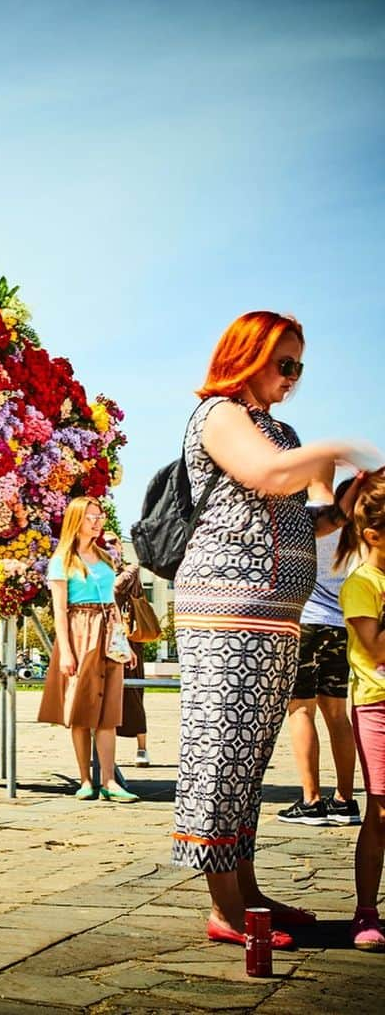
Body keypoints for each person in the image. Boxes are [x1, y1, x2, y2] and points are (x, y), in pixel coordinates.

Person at [171, 310, 381, 951]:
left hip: (275, 619)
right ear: (246, 356)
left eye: (298, 366)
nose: (292, 377)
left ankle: (249, 892)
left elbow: (306, 521)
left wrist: (345, 498)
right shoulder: (220, 415)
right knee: (219, 756)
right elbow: (264, 475)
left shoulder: (278, 429)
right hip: (226, 613)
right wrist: (337, 448)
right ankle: (225, 910)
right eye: (282, 363)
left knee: (248, 763)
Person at [37, 495, 139, 803]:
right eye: (90, 517)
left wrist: (124, 643)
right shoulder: (62, 562)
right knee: (80, 710)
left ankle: (110, 780)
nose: (97, 522)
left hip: (108, 631)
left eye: (99, 516)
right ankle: (85, 779)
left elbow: (114, 604)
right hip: (79, 631)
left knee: (109, 713)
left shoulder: (106, 558)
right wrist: (66, 652)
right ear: (76, 521)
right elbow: (58, 610)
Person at [277, 479, 360, 826]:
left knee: (301, 710)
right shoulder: (359, 528)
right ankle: (345, 799)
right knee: (338, 715)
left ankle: (311, 800)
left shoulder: (307, 518)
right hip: (341, 625)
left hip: (307, 622)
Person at [336, 472, 385, 952]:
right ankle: (366, 911)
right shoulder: (362, 584)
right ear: (373, 536)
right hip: (377, 707)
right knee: (382, 811)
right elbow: (374, 649)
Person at [107, 532, 150, 767]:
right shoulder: (98, 570)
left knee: (133, 692)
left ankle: (142, 748)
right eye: (103, 543)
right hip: (105, 638)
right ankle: (106, 750)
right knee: (107, 695)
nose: (107, 546)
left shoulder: (130, 570)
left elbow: (115, 587)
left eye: (112, 542)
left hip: (128, 638)